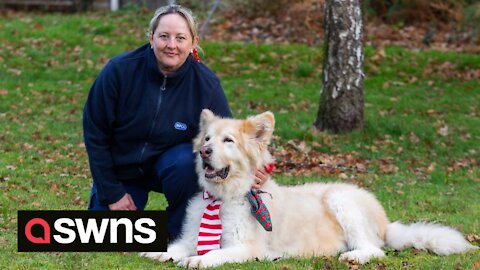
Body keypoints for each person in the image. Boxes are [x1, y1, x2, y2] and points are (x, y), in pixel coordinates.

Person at [83, 4, 270, 241]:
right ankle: (137, 224)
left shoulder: (206, 85)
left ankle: (176, 231)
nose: (172, 45)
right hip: (122, 171)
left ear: (193, 42)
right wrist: (112, 194)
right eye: (164, 36)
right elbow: (95, 135)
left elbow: (229, 137)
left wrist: (254, 168)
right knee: (103, 239)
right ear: (151, 38)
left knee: (185, 161)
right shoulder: (118, 71)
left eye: (180, 38)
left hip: (173, 169)